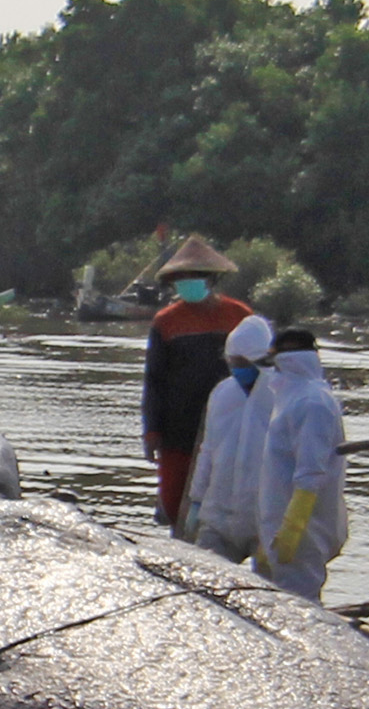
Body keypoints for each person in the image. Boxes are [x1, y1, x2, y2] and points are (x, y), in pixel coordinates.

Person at [139, 238, 255, 526]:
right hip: (178, 426)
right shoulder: (166, 322)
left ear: (211, 279)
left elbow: (260, 369)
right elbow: (154, 380)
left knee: (226, 501)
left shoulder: (239, 316)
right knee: (176, 501)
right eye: (182, 278)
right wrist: (151, 431)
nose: (187, 282)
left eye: (195, 277)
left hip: (230, 425)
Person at [243, 324, 346, 602]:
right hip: (277, 525)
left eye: (277, 367)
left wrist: (292, 530)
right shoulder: (291, 400)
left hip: (303, 532)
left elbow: (311, 473)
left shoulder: (313, 403)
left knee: (301, 606)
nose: (274, 376)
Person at [182, 314, 273, 557]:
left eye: (244, 363)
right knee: (203, 584)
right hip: (219, 515)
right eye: (232, 362)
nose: (238, 369)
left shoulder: (282, 396)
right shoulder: (223, 394)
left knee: (273, 590)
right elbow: (208, 450)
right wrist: (197, 499)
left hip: (265, 518)